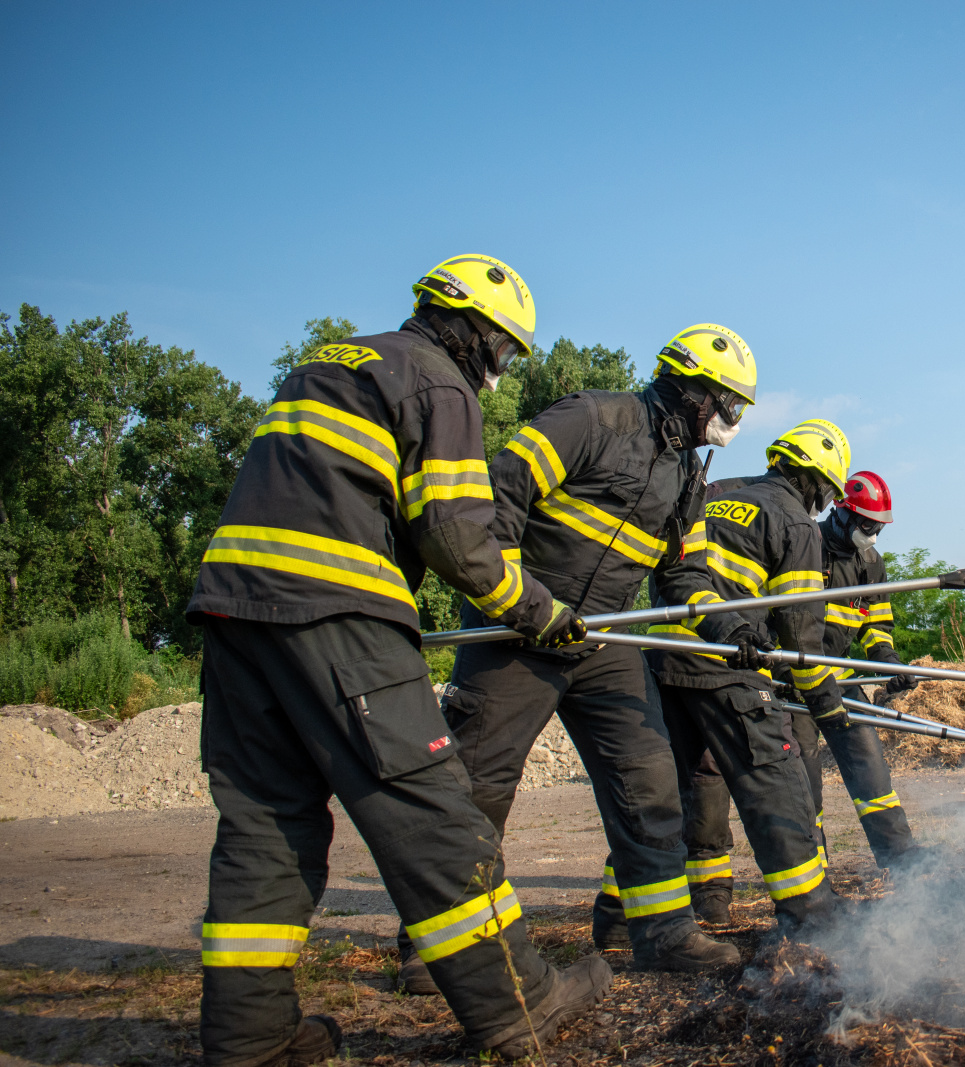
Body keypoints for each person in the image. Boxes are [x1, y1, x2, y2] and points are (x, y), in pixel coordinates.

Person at [185, 255, 611, 1066]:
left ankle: (249, 1040)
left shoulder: (330, 362)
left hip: (234, 611)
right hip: (340, 610)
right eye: (506, 353)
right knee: (432, 815)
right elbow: (456, 537)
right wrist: (541, 612)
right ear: (482, 337)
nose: (501, 371)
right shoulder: (436, 382)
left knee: (265, 827)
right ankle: (519, 1003)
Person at [435, 324, 764, 980]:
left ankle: (663, 931)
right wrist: (517, 600)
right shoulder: (591, 417)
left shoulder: (689, 477)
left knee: (650, 779)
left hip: (602, 639)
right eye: (728, 404)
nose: (731, 421)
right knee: (476, 784)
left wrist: (731, 633)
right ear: (693, 389)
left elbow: (686, 577)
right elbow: (500, 491)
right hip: (517, 629)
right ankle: (442, 949)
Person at [630, 419, 853, 936]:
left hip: (662, 658)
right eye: (827, 492)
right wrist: (826, 703)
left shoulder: (718, 491)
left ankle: (627, 920)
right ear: (817, 481)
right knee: (774, 781)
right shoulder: (795, 522)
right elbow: (802, 633)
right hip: (725, 660)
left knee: (669, 792)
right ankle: (812, 915)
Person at [683, 471, 922, 924]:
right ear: (842, 510)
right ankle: (818, 882)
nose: (872, 536)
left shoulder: (871, 564)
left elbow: (877, 624)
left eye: (880, 529)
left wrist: (889, 662)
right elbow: (784, 618)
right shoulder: (804, 541)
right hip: (795, 684)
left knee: (872, 776)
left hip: (843, 679)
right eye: (867, 525)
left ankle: (904, 861)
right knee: (804, 790)